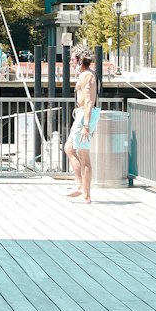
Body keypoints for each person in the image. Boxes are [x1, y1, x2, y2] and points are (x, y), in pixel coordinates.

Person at [65, 50, 99, 205]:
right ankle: (79, 185)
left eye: (73, 60)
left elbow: (89, 101)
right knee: (69, 148)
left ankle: (86, 193)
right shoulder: (84, 75)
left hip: (85, 116)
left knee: (83, 154)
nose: (70, 62)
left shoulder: (87, 76)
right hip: (80, 114)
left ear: (80, 61)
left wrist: (86, 124)